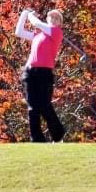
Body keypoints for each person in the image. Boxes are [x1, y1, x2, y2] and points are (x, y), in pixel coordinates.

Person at [15, 8, 65, 142]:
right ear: (47, 19)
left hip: (45, 72)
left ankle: (58, 133)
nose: (53, 19)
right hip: (30, 71)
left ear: (59, 23)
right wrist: (24, 14)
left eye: (57, 18)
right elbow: (18, 32)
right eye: (51, 17)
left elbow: (36, 23)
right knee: (32, 107)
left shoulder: (56, 32)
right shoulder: (38, 34)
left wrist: (31, 16)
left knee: (45, 104)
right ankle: (36, 138)